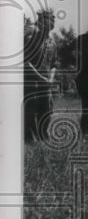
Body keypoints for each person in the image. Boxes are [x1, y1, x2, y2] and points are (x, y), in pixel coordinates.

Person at [23, 9, 57, 143]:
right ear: (42, 21)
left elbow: (54, 63)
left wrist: (50, 79)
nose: (53, 22)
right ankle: (29, 139)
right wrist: (41, 78)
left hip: (46, 82)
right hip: (31, 81)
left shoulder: (52, 41)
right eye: (50, 19)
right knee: (30, 110)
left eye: (54, 19)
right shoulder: (31, 36)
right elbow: (25, 62)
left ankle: (43, 135)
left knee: (47, 110)